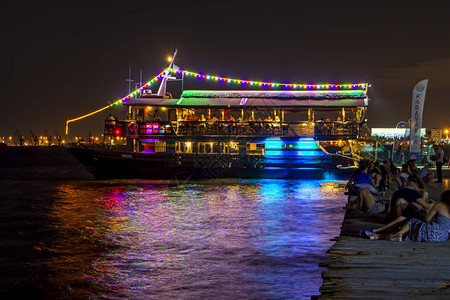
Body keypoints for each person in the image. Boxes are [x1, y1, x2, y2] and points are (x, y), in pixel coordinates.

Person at [369, 190, 450, 242]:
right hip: (442, 237)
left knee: (412, 222)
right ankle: (378, 236)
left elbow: (427, 219)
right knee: (412, 231)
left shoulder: (439, 205)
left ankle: (398, 233)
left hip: (432, 232)